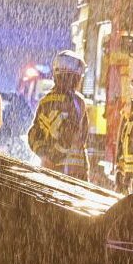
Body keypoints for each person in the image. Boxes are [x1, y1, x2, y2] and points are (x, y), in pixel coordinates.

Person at [28, 51, 89, 180]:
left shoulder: (45, 100)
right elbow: (75, 133)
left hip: (48, 171)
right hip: (73, 173)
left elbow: (34, 133)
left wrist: (44, 155)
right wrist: (56, 155)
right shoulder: (77, 101)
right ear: (75, 77)